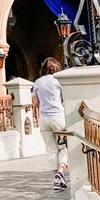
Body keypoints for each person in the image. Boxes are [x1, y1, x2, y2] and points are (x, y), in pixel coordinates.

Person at [32, 57, 68, 192]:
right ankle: (61, 170)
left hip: (44, 119)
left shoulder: (37, 82)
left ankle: (57, 180)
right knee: (64, 146)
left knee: (51, 149)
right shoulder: (58, 81)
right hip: (58, 118)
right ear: (56, 67)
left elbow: (35, 103)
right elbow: (65, 99)